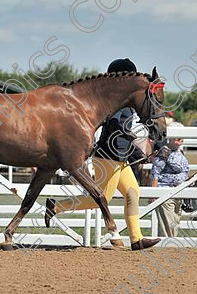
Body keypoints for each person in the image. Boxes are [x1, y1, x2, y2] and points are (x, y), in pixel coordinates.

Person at [45, 58, 161, 251]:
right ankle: (56, 206)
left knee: (133, 192)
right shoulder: (115, 101)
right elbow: (112, 123)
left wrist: (137, 151)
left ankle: (136, 239)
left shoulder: (128, 101)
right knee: (100, 199)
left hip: (120, 157)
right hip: (108, 155)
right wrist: (128, 134)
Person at [150, 122, 190, 237]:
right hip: (165, 192)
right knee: (168, 227)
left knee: (175, 224)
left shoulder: (180, 152)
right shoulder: (165, 151)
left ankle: (171, 249)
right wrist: (153, 194)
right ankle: (167, 248)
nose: (180, 138)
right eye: (177, 135)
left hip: (179, 193)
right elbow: (155, 173)